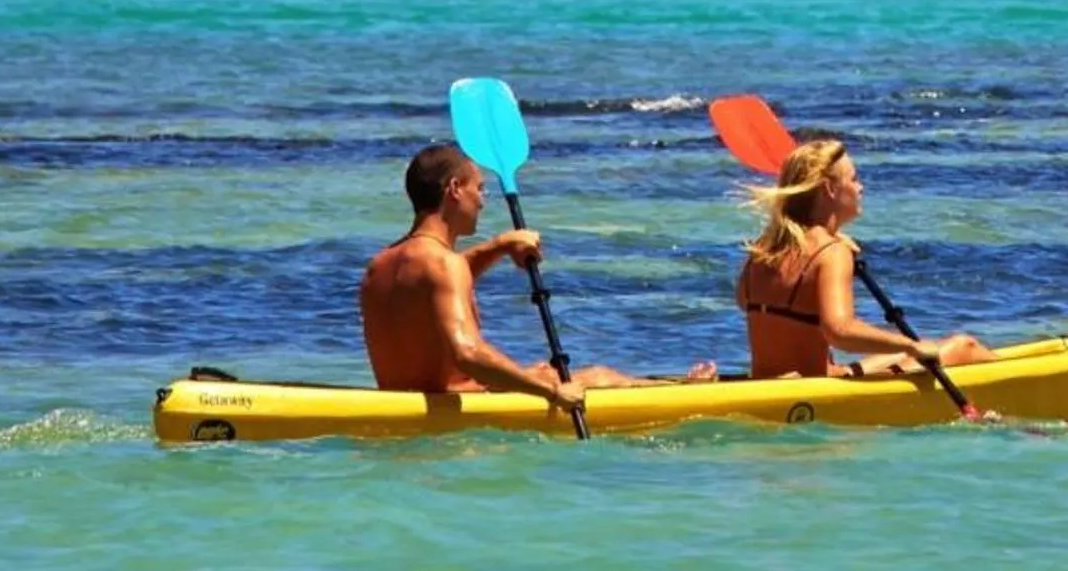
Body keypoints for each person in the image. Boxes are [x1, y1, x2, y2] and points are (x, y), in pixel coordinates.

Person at [362, 142, 713, 407]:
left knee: (542, 370)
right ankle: (687, 393)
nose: (483, 201)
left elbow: (435, 287)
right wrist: (551, 392)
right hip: (459, 409)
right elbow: (467, 354)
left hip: (397, 401)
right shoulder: (444, 264)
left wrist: (499, 246)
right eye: (479, 189)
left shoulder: (380, 266)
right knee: (599, 378)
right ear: (454, 189)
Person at [735, 135, 993, 380]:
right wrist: (910, 345)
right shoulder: (831, 253)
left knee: (909, 352)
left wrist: (832, 238)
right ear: (829, 189)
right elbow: (840, 332)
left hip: (775, 382)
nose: (861, 187)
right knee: (963, 346)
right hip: (814, 390)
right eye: (854, 178)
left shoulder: (762, 251)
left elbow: (746, 302)